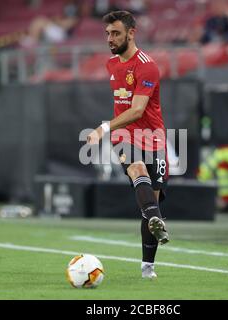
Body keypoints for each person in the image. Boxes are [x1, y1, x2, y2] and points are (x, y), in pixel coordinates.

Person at [86, 10, 169, 279]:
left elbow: (136, 110)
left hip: (153, 136)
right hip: (125, 135)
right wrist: (112, 130)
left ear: (131, 33)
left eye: (116, 33)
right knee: (136, 169)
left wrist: (103, 127)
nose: (110, 38)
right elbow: (127, 116)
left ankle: (148, 267)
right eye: (107, 33)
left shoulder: (147, 65)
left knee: (151, 200)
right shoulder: (111, 64)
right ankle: (156, 219)